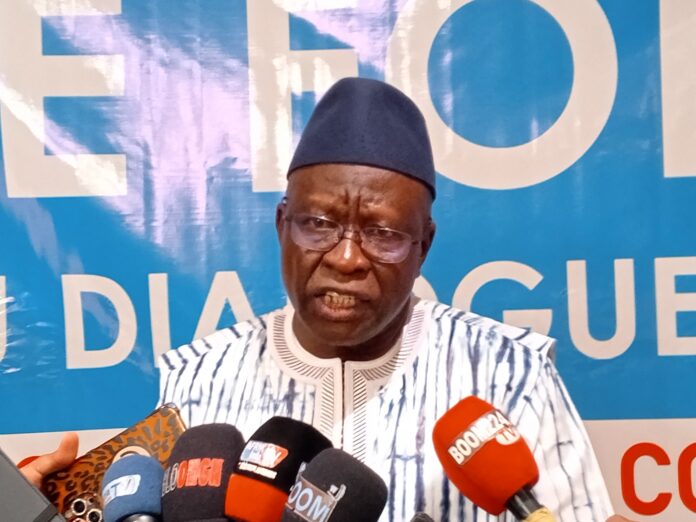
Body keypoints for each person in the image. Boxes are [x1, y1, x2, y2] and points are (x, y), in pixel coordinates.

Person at [23, 78, 633, 522]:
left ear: (424, 245)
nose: (345, 258)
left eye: (383, 234)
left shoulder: (511, 372)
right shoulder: (196, 375)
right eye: (318, 224)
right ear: (281, 225)